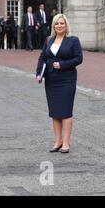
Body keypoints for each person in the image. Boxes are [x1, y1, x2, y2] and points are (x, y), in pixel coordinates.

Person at [36, 14, 83, 154]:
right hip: (51, 80)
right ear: (53, 26)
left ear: (66, 25)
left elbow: (79, 59)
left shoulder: (73, 40)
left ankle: (66, 142)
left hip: (67, 79)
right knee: (55, 112)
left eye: (62, 23)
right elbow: (42, 57)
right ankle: (57, 141)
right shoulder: (49, 40)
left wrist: (62, 65)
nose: (59, 26)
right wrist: (39, 73)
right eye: (57, 24)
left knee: (66, 111)